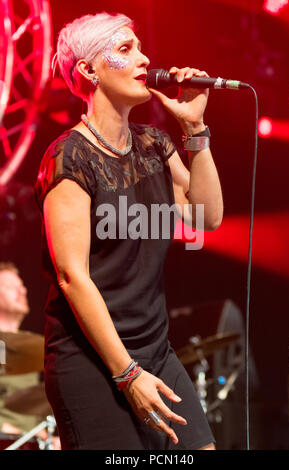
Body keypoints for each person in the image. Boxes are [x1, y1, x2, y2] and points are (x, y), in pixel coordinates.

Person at [34, 12, 223, 450]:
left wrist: (195, 130)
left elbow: (205, 216)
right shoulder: (69, 157)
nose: (144, 58)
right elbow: (71, 277)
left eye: (140, 47)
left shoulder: (154, 144)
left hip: (153, 346)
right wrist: (127, 374)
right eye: (125, 50)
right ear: (88, 70)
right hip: (91, 359)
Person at [0, 262, 61, 449]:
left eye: (22, 287)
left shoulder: (26, 347)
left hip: (32, 440)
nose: (23, 291)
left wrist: (51, 437)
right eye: (12, 287)